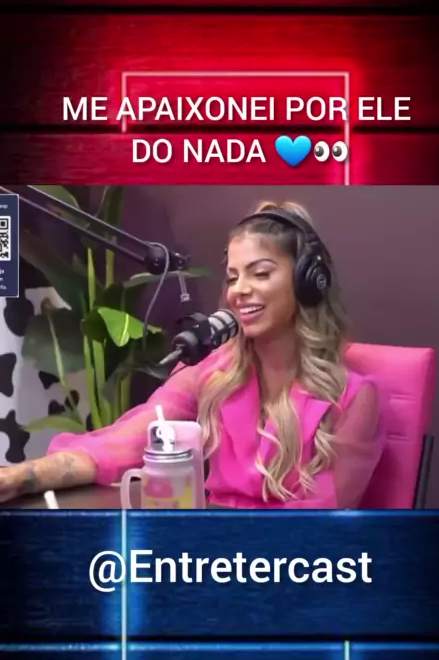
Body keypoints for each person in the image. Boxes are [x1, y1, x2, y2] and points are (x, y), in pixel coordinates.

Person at [0, 201, 386, 509]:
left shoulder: (352, 399)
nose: (239, 290)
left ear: (307, 284)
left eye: (260, 273)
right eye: (233, 277)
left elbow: (316, 527)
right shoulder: (215, 372)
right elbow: (125, 441)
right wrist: (23, 477)